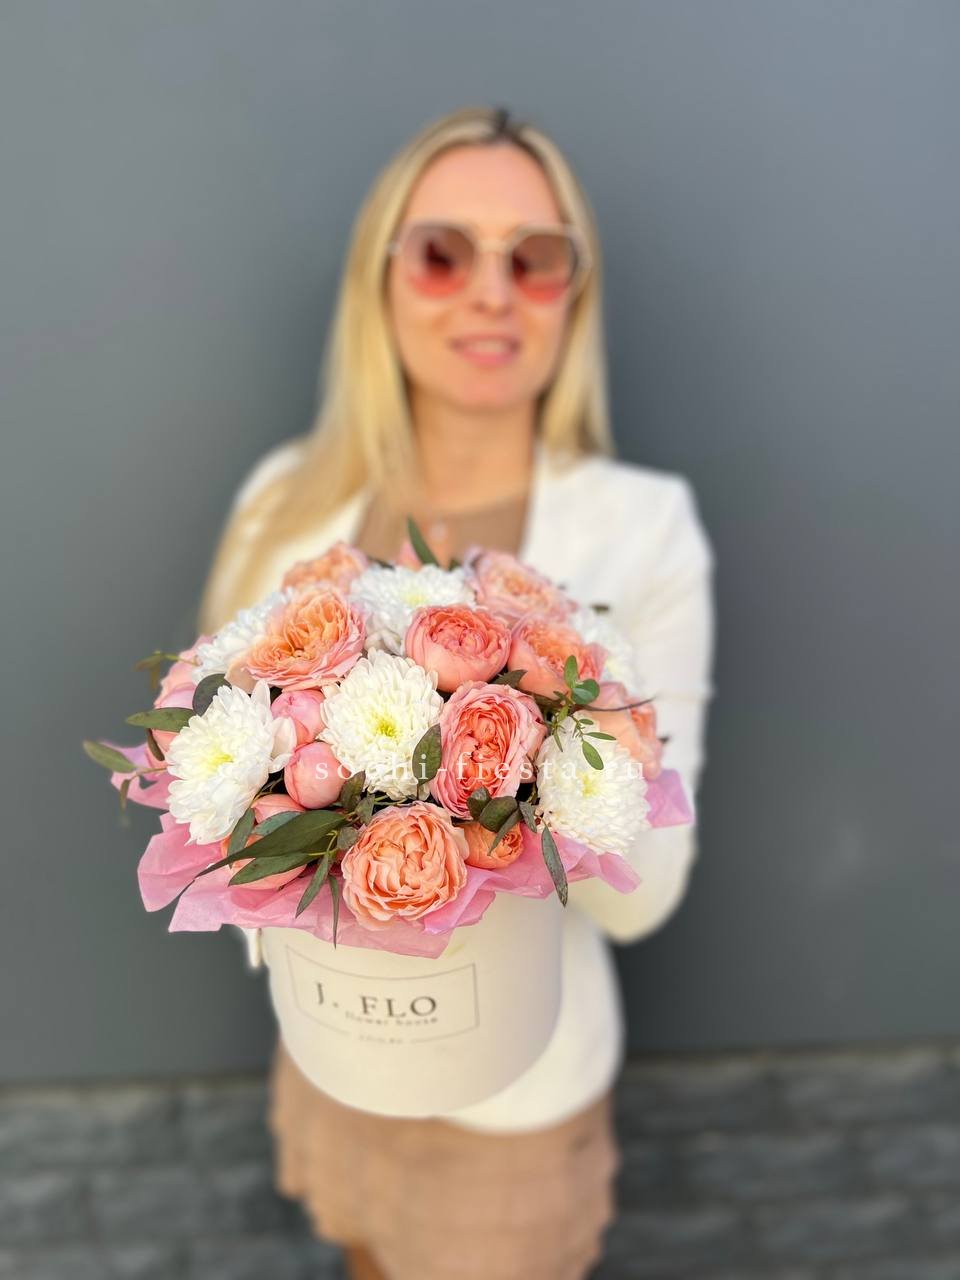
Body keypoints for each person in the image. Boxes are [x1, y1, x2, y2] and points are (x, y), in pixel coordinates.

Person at [195, 104, 714, 1280]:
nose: (491, 292)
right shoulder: (285, 502)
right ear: (379, 281)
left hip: (516, 1087)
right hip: (330, 1048)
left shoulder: (644, 529)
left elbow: (646, 893)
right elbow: (219, 792)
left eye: (536, 257)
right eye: (443, 252)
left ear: (575, 294)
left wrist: (555, 708)